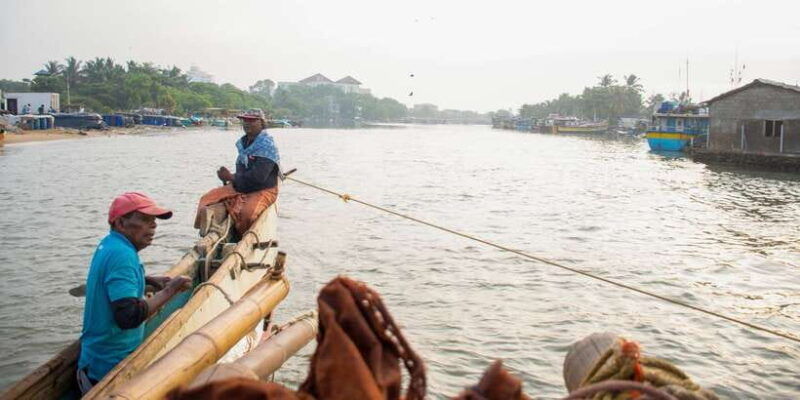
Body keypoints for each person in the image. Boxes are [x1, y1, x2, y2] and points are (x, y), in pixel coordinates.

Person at [77, 192, 192, 394]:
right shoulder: (123, 255)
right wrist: (170, 290)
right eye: (145, 220)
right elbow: (128, 316)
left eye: (154, 221)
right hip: (108, 370)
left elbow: (111, 281)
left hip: (95, 360)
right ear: (121, 223)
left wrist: (147, 280)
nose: (154, 226)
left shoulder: (110, 244)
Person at [195, 110, 280, 235]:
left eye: (251, 120)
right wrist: (228, 178)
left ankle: (242, 239)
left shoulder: (267, 146)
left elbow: (258, 178)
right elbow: (241, 170)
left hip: (263, 189)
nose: (247, 123)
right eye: (245, 120)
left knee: (247, 215)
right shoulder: (243, 144)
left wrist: (231, 177)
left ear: (261, 123)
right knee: (206, 200)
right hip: (241, 186)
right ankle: (205, 235)